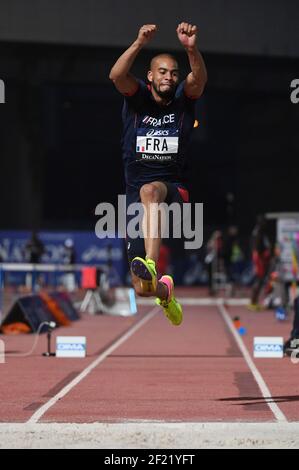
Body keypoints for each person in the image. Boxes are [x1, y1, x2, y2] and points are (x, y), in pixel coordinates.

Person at [109, 23, 207, 325]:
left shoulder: (183, 101)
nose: (169, 77)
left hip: (173, 190)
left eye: (173, 73)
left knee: (151, 190)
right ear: (150, 77)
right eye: (162, 72)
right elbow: (116, 76)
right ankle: (165, 292)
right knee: (141, 289)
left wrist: (191, 49)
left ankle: (151, 263)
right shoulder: (137, 98)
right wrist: (138, 42)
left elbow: (199, 79)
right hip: (135, 196)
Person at [248, 215, 272, 310]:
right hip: (259, 260)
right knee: (259, 279)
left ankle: (254, 301)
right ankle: (253, 302)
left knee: (260, 280)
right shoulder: (258, 232)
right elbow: (255, 249)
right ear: (260, 223)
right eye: (264, 222)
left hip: (261, 259)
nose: (265, 224)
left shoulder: (260, 232)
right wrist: (259, 261)